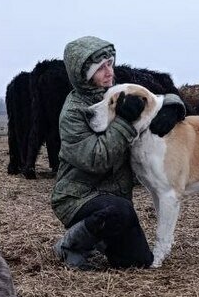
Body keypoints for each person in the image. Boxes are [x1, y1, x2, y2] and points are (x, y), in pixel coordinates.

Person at [51, 36, 185, 270]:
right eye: (100, 68)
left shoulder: (116, 90)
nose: (109, 72)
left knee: (137, 262)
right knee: (117, 212)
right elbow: (96, 160)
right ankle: (70, 244)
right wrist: (125, 122)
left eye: (109, 64)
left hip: (116, 197)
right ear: (83, 74)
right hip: (78, 197)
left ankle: (102, 238)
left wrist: (174, 107)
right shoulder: (73, 113)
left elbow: (155, 95)